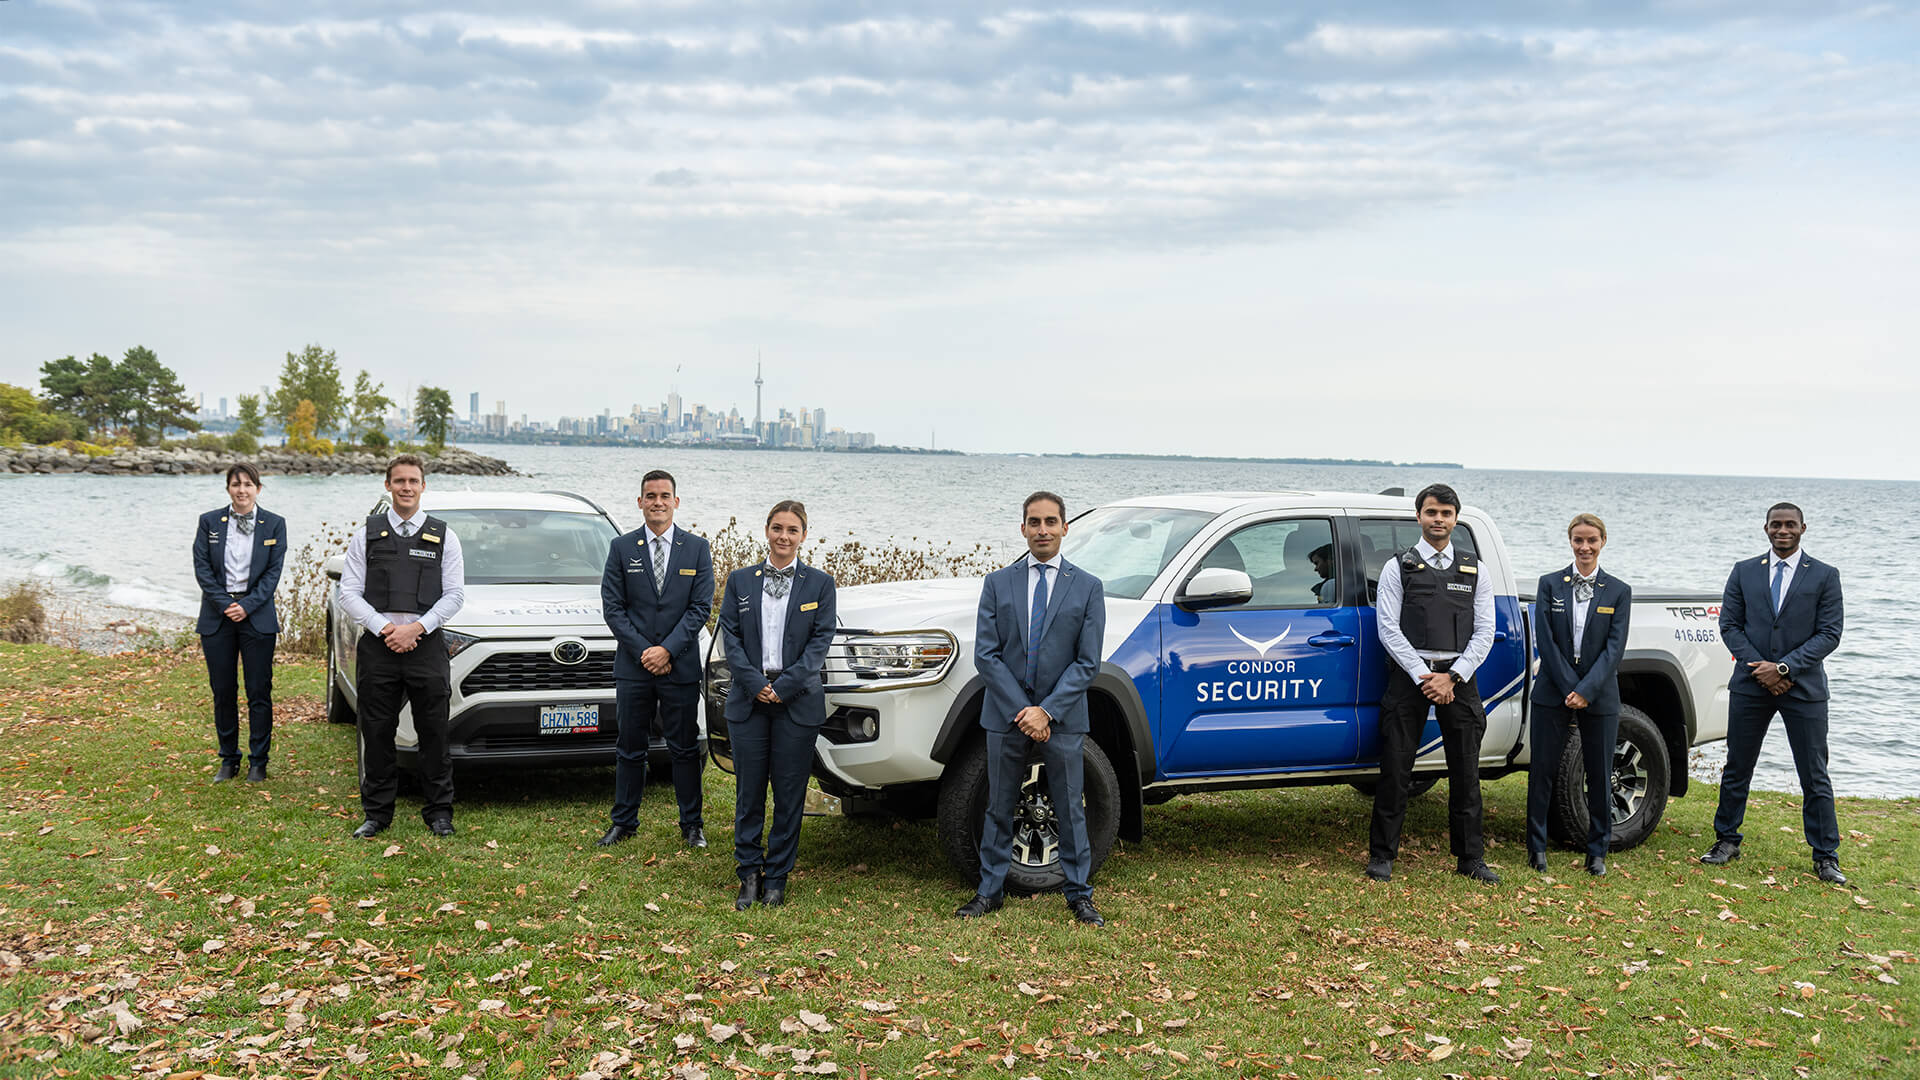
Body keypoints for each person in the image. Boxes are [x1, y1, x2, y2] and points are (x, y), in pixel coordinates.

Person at [956, 491, 1109, 926]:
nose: (1042, 530)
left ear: (1065, 528)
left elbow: (1087, 662)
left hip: (1062, 719)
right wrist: (1024, 710)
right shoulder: (997, 583)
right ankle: (989, 891)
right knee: (999, 805)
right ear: (1022, 528)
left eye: (1050, 522)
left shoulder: (1088, 587)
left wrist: (1047, 712)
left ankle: (1080, 896)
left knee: (1069, 807)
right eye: (1034, 522)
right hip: (1006, 716)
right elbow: (986, 655)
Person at [1703, 503, 1846, 884]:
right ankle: (1726, 840)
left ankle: (1825, 855)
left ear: (1803, 528)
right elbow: (1730, 626)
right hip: (1751, 684)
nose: (1783, 530)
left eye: (1790, 525)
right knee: (1738, 766)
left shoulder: (1825, 576)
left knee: (1814, 773)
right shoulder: (1744, 571)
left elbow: (1830, 633)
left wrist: (1783, 668)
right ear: (1765, 528)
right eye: (1776, 524)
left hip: (1804, 688)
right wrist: (1762, 669)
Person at [1366, 483, 1500, 884]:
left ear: (1456, 518)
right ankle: (1382, 856)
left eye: (1445, 513)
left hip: (1459, 679)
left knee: (1465, 771)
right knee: (1395, 768)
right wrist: (1425, 675)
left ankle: (1471, 859)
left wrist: (1453, 675)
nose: (1438, 519)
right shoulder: (1398, 567)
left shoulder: (1475, 568)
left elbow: (1486, 630)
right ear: (1418, 516)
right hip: (1412, 679)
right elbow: (1388, 629)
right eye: (1431, 512)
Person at [337, 454, 466, 839]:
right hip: (379, 647)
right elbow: (349, 593)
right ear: (388, 485)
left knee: (433, 732)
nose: (406, 487)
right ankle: (377, 814)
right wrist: (385, 628)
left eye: (413, 481)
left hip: (426, 646)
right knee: (376, 732)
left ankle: (439, 812)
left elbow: (455, 595)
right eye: (399, 481)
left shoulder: (445, 536)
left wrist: (416, 629)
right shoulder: (367, 534)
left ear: (423, 486)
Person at [716, 501, 836, 909]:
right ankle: (748, 873)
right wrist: (754, 684)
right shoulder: (739, 581)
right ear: (766, 530)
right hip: (749, 701)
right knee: (749, 792)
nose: (784, 536)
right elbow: (729, 637)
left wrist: (783, 686)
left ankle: (777, 877)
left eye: (793, 530)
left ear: (804, 535)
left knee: (788, 794)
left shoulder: (820, 584)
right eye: (777, 528)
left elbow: (820, 643)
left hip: (796, 701)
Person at [596, 470, 714, 849]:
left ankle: (691, 825)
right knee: (631, 746)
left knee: (684, 747)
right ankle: (624, 822)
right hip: (634, 666)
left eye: (665, 496)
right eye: (651, 496)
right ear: (640, 502)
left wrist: (667, 650)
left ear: (676, 502)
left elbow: (700, 608)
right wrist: (645, 651)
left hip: (679, 665)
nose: (658, 502)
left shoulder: (697, 548)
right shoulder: (621, 548)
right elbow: (613, 609)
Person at [1526, 514, 1632, 876]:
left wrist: (1586, 690)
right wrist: (1570, 685)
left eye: (1591, 540)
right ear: (1569, 541)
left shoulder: (1618, 591)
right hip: (1553, 689)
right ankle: (1536, 847)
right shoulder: (1550, 585)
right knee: (1542, 770)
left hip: (1599, 694)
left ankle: (1597, 851)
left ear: (1603, 541)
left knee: (1601, 773)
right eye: (1578, 540)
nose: (1584, 547)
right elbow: (1546, 640)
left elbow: (1614, 648)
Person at [191, 462, 286, 783]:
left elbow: (273, 574)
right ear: (228, 488)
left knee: (259, 690)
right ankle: (228, 759)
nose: (241, 490)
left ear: (258, 489)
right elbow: (202, 568)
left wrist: (245, 605)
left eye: (248, 484)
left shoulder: (275, 524)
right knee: (223, 691)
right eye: (235, 484)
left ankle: (259, 761)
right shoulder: (209, 523)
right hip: (217, 617)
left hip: (256, 616)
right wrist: (226, 604)